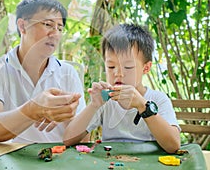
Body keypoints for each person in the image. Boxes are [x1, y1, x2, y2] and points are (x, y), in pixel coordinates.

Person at [0, 0, 86, 144]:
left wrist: (69, 115)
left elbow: (84, 141)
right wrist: (35, 108)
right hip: (10, 161)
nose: (55, 34)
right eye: (48, 24)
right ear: (22, 26)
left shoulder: (68, 72)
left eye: (60, 28)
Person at [63, 23, 181, 153]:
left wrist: (143, 106)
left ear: (146, 68)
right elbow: (68, 140)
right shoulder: (106, 100)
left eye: (128, 67)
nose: (118, 73)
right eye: (111, 67)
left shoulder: (157, 99)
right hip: (111, 161)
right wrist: (94, 105)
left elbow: (173, 145)